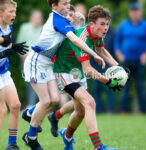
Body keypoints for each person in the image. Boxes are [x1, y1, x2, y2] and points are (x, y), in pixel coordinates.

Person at [22, 0, 107, 149]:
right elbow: (74, 39)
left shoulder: (63, 19)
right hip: (38, 60)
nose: (68, 6)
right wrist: (94, 54)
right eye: (64, 3)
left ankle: (29, 113)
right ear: (54, 6)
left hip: (49, 63)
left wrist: (77, 21)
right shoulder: (57, 19)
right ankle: (31, 137)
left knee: (54, 99)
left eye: (69, 3)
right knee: (45, 101)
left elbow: (75, 34)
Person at [52, 5, 121, 150]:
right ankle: (99, 147)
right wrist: (108, 81)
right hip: (64, 71)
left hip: (77, 72)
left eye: (107, 24)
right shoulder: (81, 37)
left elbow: (101, 50)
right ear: (91, 24)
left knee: (80, 111)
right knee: (90, 102)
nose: (106, 28)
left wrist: (117, 68)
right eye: (102, 24)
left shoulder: (97, 35)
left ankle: (67, 136)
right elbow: (89, 70)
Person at [0, 0, 28, 150]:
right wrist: (4, 52)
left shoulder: (8, 27)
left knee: (16, 106)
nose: (14, 15)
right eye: (10, 11)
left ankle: (12, 144)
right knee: (2, 109)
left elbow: (6, 43)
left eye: (14, 12)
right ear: (0, 13)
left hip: (3, 72)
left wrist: (13, 47)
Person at [114, 2, 146, 113]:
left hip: (140, 61)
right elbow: (116, 42)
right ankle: (124, 110)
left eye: (137, 11)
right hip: (126, 60)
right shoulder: (123, 25)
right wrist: (119, 54)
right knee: (125, 86)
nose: (135, 13)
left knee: (140, 86)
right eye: (133, 11)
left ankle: (143, 111)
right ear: (130, 13)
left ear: (140, 12)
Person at [17, 9, 43, 107]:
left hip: (39, 61)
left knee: (39, 82)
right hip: (26, 59)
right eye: (35, 17)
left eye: (39, 18)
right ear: (31, 18)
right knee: (29, 82)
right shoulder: (24, 28)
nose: (37, 20)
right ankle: (31, 104)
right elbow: (19, 44)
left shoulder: (43, 29)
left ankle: (35, 104)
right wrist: (24, 55)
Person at [90, 26, 116, 113]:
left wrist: (114, 64)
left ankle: (110, 111)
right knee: (96, 89)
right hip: (95, 64)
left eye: (107, 23)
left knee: (109, 88)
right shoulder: (94, 31)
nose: (106, 26)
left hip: (108, 66)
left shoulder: (112, 33)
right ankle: (97, 111)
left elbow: (114, 48)